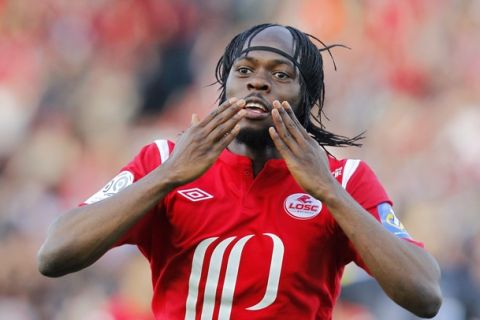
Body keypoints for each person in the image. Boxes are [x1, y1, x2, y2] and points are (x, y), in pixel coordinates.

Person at [37, 23, 442, 319]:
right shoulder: (164, 160)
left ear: (306, 98)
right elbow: (55, 254)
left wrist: (329, 192)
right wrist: (167, 177)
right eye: (244, 71)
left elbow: (424, 294)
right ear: (225, 86)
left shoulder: (345, 180)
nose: (258, 83)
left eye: (280, 75)